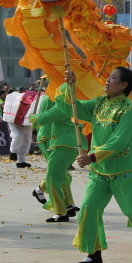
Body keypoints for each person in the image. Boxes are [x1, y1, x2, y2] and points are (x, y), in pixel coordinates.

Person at [61, 68, 132, 263]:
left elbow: (119, 141)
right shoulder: (99, 103)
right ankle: (93, 253)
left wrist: (92, 156)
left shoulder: (128, 110)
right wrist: (71, 86)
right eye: (109, 77)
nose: (107, 81)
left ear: (123, 85)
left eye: (112, 78)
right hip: (99, 172)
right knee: (87, 209)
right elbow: (74, 108)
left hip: (125, 170)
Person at [29, 82, 81, 222]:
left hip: (57, 141)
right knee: (60, 175)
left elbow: (42, 119)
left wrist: (33, 118)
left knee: (54, 177)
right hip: (73, 143)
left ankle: (59, 209)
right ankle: (68, 204)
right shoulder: (78, 105)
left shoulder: (60, 105)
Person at [3, 85, 37, 168]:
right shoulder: (13, 101)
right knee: (18, 135)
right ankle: (13, 152)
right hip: (13, 119)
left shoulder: (32, 99)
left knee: (27, 139)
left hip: (26, 119)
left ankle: (21, 161)